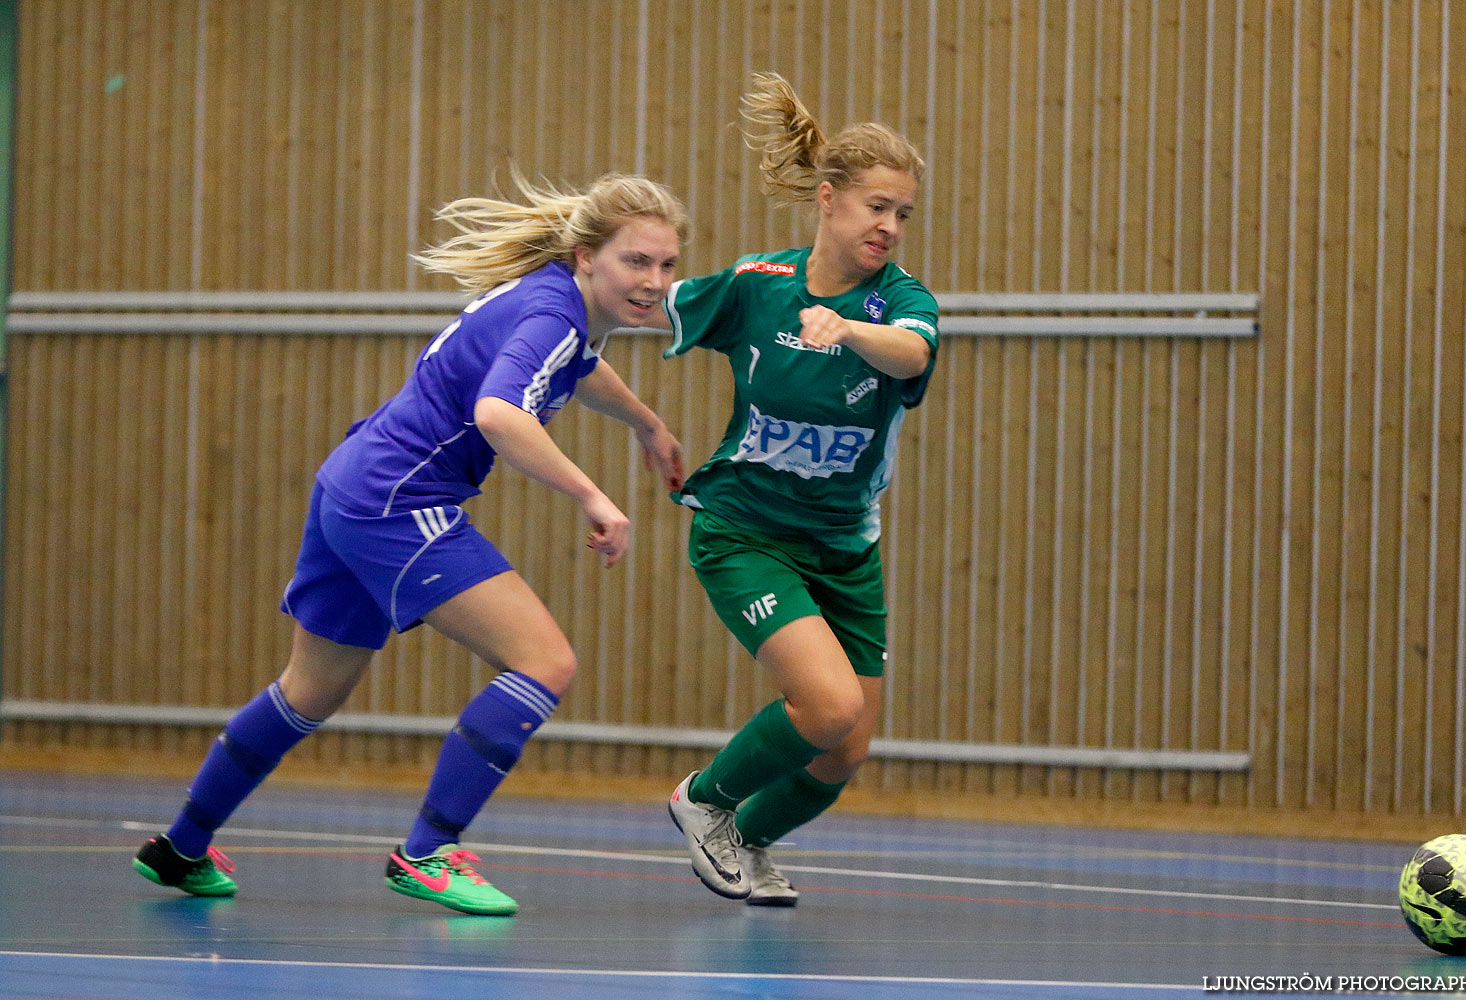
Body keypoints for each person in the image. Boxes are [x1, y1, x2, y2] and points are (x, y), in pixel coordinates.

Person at [132, 171, 688, 916]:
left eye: (667, 265)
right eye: (637, 263)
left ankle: (180, 846)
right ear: (588, 256)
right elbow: (498, 413)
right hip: (398, 501)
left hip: (352, 486)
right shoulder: (554, 317)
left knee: (308, 693)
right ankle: (426, 852)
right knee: (545, 661)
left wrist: (646, 423)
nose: (654, 282)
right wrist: (592, 494)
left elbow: (579, 368)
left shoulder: (554, 301)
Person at [660, 73, 938, 906]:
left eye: (903, 214)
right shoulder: (759, 284)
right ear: (828, 202)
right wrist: (555, 301)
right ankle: (703, 801)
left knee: (844, 750)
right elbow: (649, 303)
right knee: (825, 705)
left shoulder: (901, 302)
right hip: (746, 532)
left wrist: (850, 328)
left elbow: (913, 355)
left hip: (845, 547)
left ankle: (746, 838)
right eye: (876, 207)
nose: (889, 226)